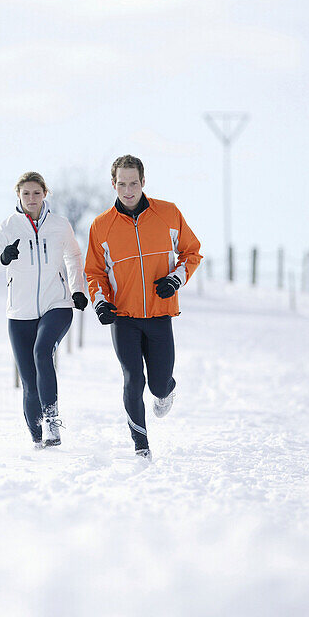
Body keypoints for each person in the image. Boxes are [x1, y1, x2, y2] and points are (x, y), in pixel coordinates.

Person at [84, 155, 202, 461]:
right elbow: (94, 272)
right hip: (123, 317)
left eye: (133, 183)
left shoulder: (168, 213)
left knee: (159, 383)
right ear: (113, 184)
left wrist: (176, 280)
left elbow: (192, 252)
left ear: (143, 182)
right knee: (132, 378)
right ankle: (141, 446)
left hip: (160, 313)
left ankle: (166, 390)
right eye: (121, 183)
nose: (127, 190)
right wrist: (100, 304)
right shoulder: (101, 226)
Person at [0, 171, 88, 448]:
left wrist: (77, 289)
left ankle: (52, 420)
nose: (31, 198)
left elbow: (74, 256)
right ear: (18, 195)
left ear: (45, 194)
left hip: (57, 304)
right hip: (20, 313)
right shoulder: (6, 229)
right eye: (26, 193)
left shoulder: (60, 225)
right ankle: (39, 441)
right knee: (28, 381)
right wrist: (3, 259)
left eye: (36, 193)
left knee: (42, 351)